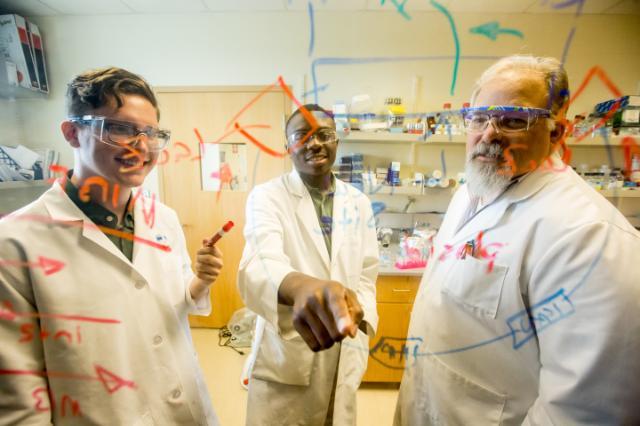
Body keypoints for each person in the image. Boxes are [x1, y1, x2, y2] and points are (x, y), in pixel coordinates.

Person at [395, 55, 640, 425]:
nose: (489, 133)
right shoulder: (473, 191)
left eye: (513, 120)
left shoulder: (589, 236)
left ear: (556, 133)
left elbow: (585, 410)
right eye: (479, 117)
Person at [0, 67, 223, 424]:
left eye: (151, 133)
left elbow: (170, 304)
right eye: (121, 128)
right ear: (72, 133)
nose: (142, 146)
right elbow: (21, 402)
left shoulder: (162, 218)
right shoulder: (14, 242)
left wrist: (200, 282)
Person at [238, 104, 378, 425]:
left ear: (337, 142)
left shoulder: (359, 202)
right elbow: (260, 261)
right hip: (292, 343)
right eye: (302, 135)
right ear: (287, 146)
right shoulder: (267, 197)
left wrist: (360, 315)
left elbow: (368, 273)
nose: (314, 143)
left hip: (346, 340)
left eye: (324, 135)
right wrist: (301, 288)